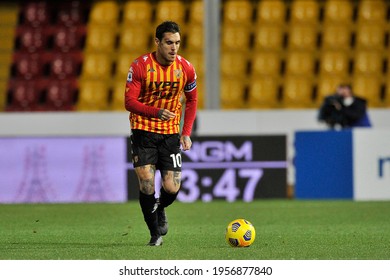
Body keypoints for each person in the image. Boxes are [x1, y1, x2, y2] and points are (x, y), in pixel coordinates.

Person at [124, 21, 198, 246]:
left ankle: (161, 206)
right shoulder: (140, 66)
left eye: (177, 42)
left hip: (170, 134)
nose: (173, 48)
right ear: (157, 42)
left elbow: (192, 100)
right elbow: (129, 102)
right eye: (168, 43)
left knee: (171, 187)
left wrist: (186, 133)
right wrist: (155, 112)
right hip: (143, 130)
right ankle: (155, 234)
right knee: (146, 181)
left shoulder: (186, 68)